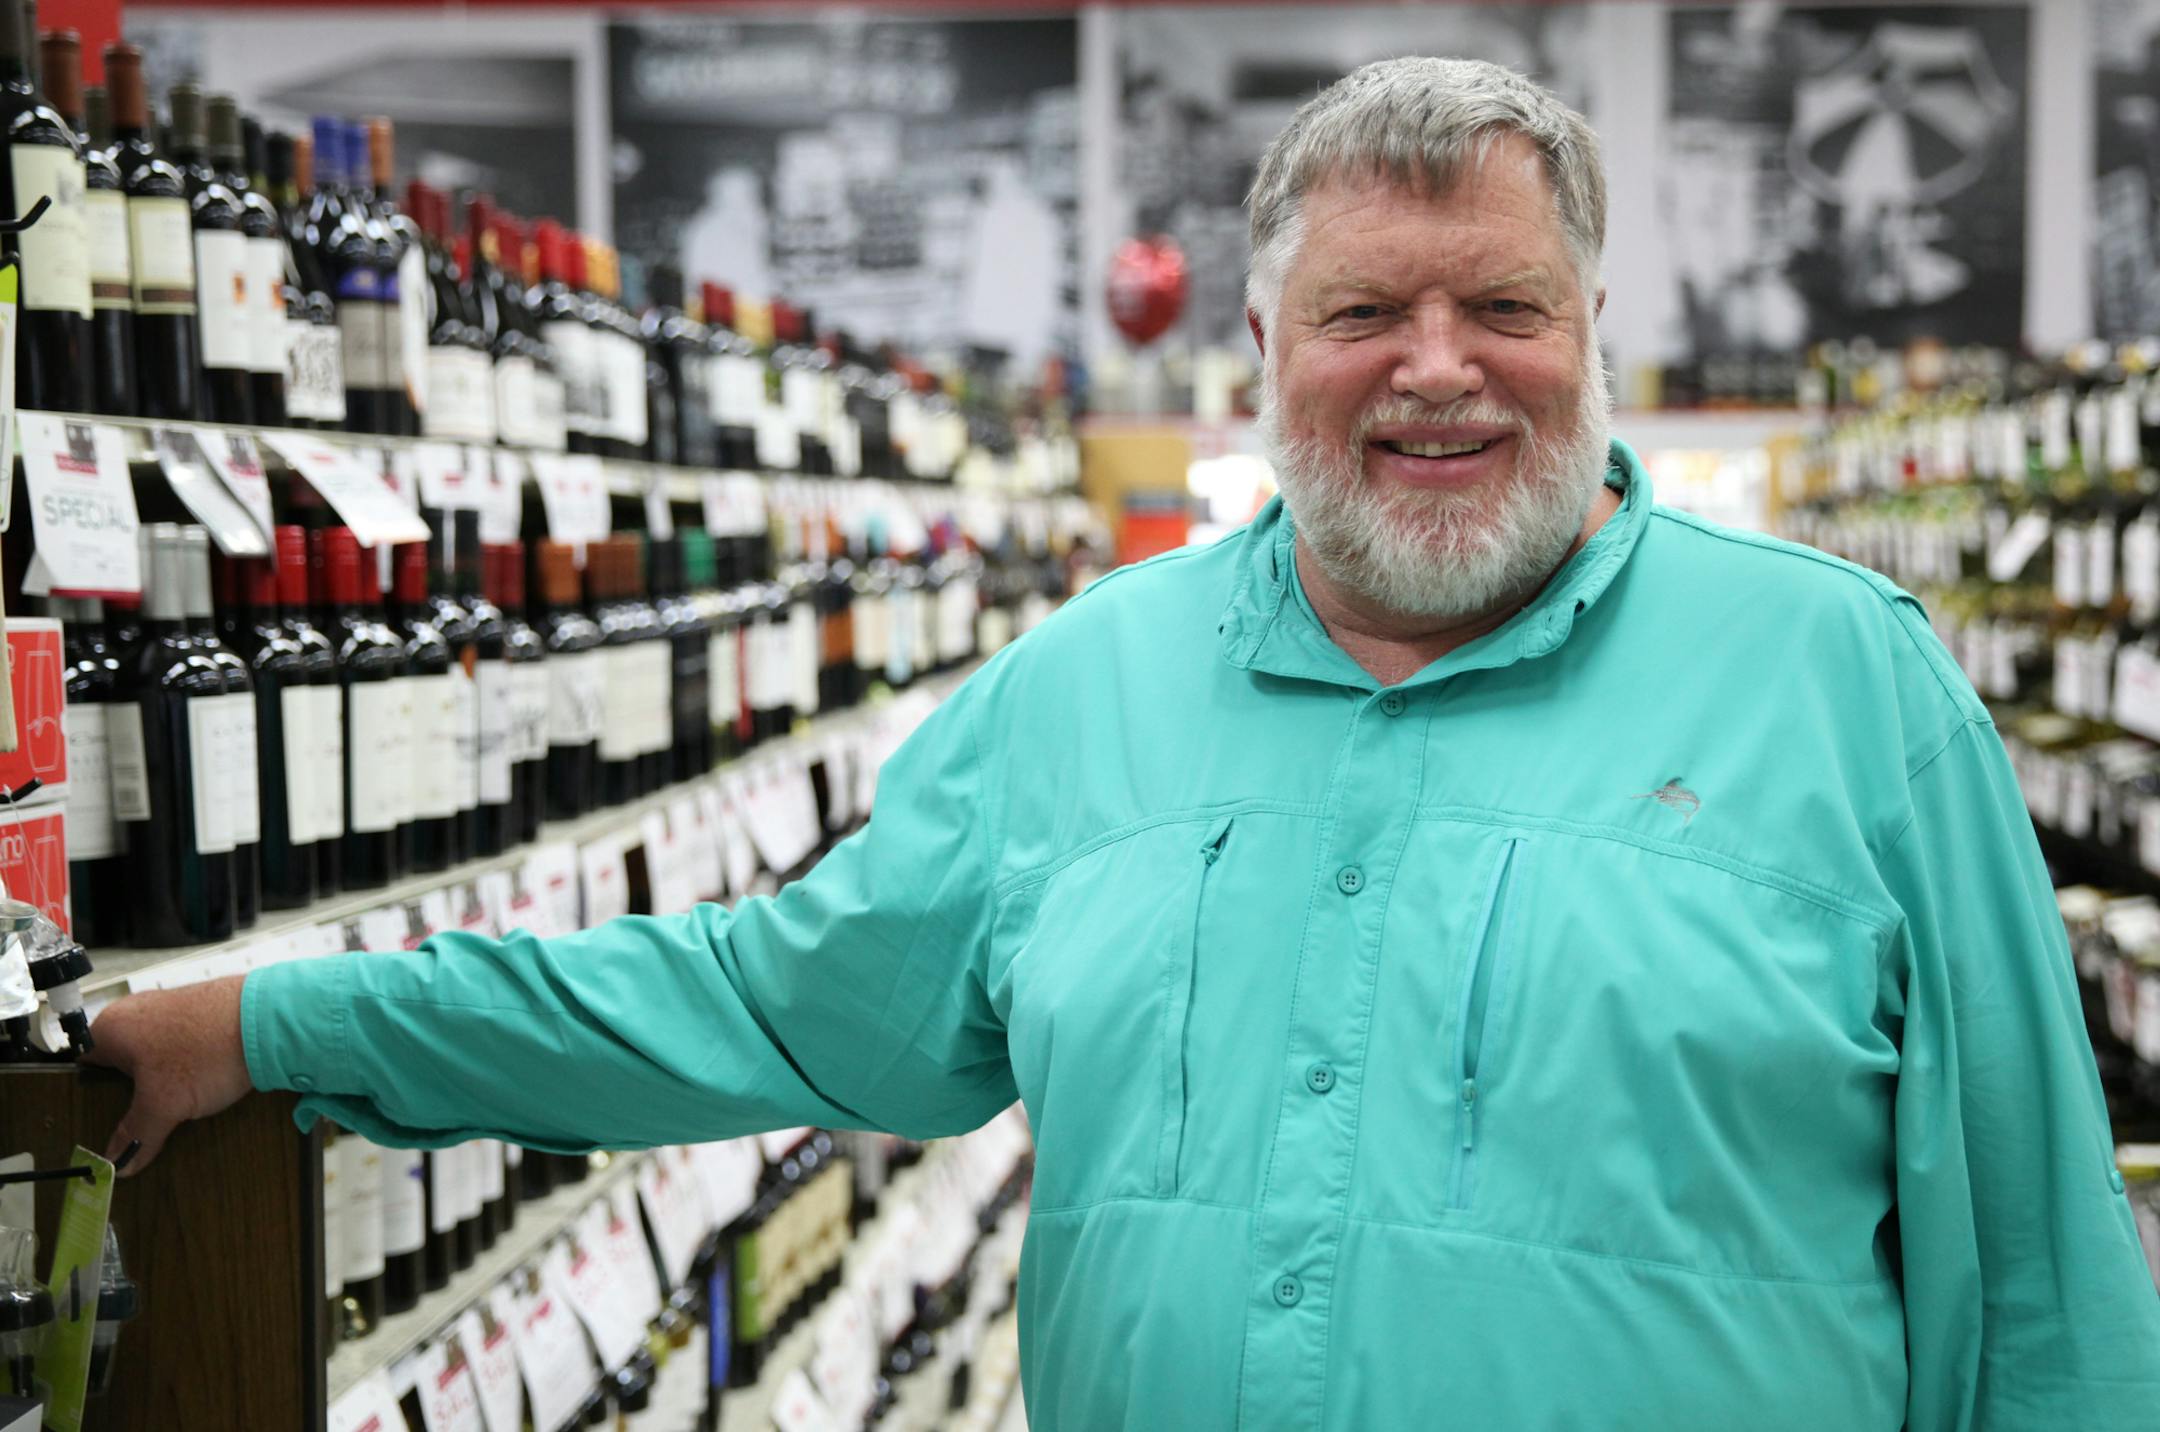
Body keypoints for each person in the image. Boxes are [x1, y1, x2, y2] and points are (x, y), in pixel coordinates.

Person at [90, 57, 2160, 1429]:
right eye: (1366, 314)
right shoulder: (1082, 691)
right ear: (1261, 353)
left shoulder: (1843, 687)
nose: (1440, 370)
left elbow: (2043, 1284)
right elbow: (748, 1005)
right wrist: (266, 1024)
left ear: (1596, 338)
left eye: (1507, 309)